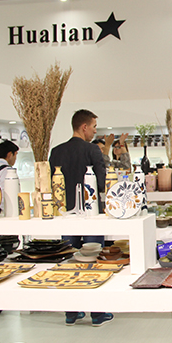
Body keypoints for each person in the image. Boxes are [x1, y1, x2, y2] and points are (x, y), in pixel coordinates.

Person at [49, 109, 113, 327]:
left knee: (69, 262)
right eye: (94, 127)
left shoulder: (56, 152)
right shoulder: (92, 150)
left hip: (65, 215)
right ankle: (97, 313)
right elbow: (102, 182)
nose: (95, 131)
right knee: (93, 261)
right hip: (91, 214)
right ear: (84, 127)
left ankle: (71, 312)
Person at [0, 140, 19, 212]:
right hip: (1, 212)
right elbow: (5, 194)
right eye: (15, 155)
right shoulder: (7, 171)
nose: (15, 158)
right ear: (10, 155)